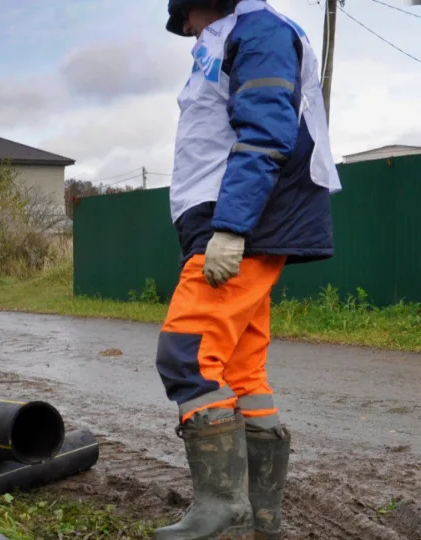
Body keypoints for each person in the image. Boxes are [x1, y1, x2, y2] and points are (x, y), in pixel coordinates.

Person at [157, 1, 341, 538]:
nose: (186, 28)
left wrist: (232, 227)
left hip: (235, 219)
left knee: (187, 353)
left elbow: (266, 129)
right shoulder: (237, 37)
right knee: (241, 372)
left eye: (185, 14)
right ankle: (262, 519)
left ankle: (222, 507)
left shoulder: (259, 32)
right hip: (226, 217)